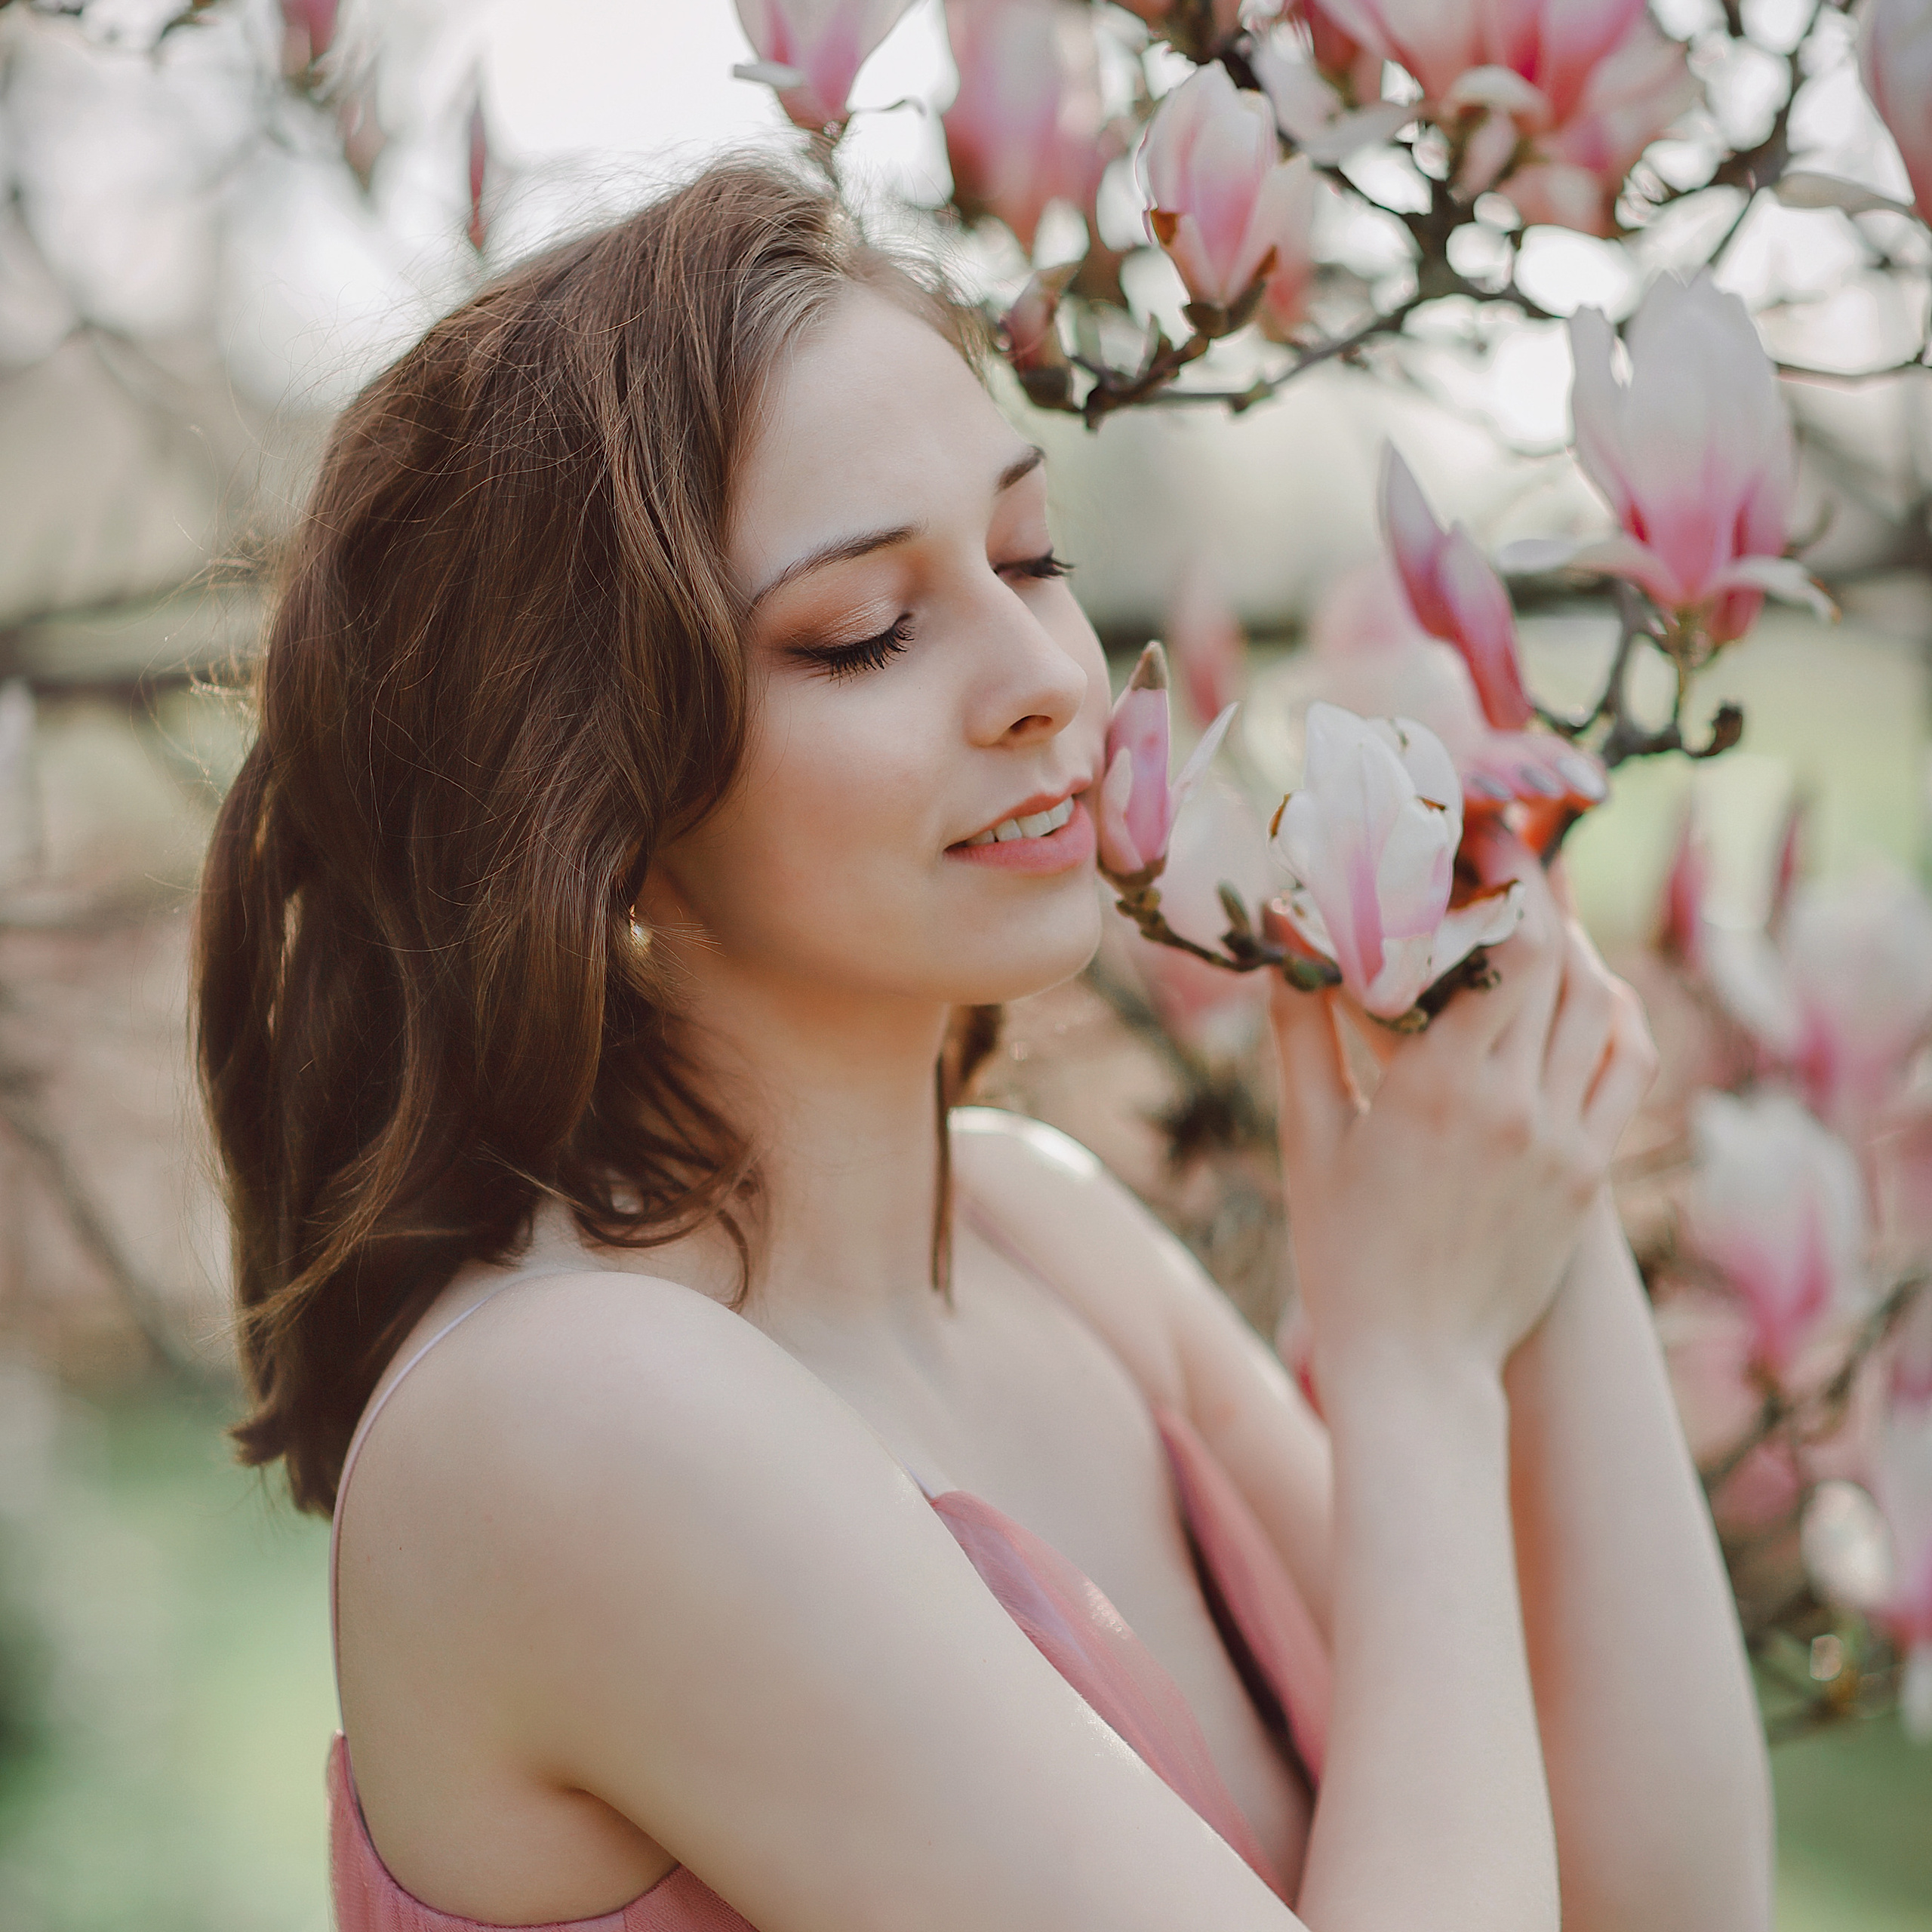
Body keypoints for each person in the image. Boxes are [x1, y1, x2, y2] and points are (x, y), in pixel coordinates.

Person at [195, 155, 1772, 1932]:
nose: (1044, 671)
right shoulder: (556, 1422)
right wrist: (1408, 1369)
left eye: (1031, 554)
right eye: (863, 631)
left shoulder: (1044, 1234)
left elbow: (1666, 1898)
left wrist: (1516, 1157)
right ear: (593, 804)